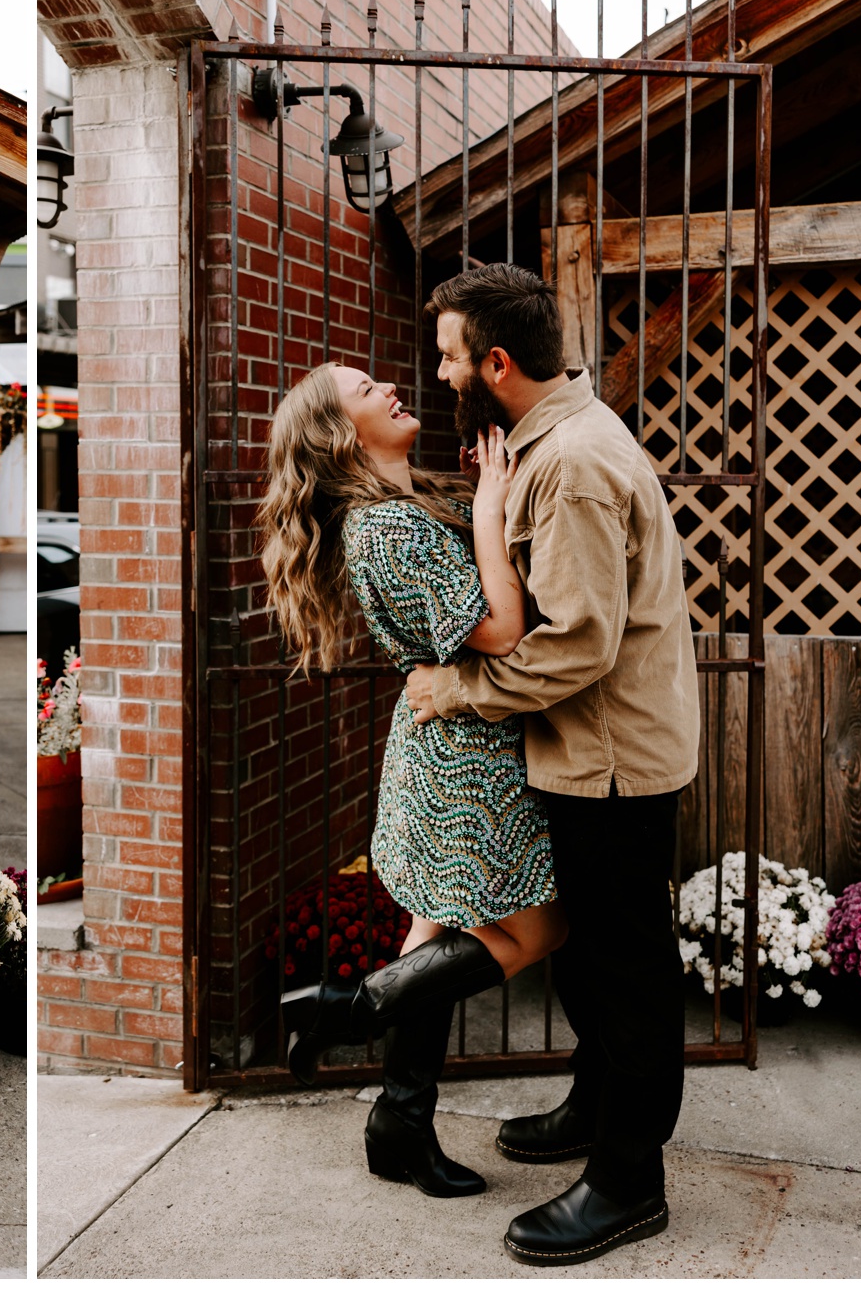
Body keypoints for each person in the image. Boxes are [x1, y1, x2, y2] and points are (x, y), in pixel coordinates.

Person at [401, 263, 698, 1267]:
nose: (440, 374)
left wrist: (457, 692)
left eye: (448, 355)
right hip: (586, 753)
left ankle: (627, 1180)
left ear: (494, 360)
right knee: (586, 952)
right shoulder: (548, 440)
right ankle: (593, 1103)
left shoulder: (569, 461)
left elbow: (576, 644)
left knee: (626, 970)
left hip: (607, 759)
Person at [258, 360, 563, 1201]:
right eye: (365, 392)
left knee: (434, 935)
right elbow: (498, 631)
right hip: (466, 756)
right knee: (535, 934)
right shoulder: (385, 530)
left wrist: (480, 502)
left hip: (454, 734)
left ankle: (399, 1123)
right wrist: (494, 510)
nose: (389, 388)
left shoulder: (411, 500)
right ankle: (344, 1008)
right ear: (341, 433)